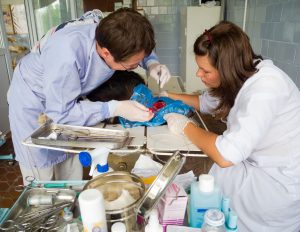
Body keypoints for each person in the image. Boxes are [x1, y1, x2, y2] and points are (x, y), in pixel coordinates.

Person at [7, 8, 171, 185]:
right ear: (107, 53)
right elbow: (61, 114)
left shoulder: (112, 30)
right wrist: (114, 108)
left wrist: (151, 63)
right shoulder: (66, 55)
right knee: (43, 178)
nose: (136, 66)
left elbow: (136, 42)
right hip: (34, 102)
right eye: (132, 66)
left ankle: (71, 203)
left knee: (70, 167)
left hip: (66, 97)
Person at [163, 21, 300, 231]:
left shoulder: (266, 88)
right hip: (256, 162)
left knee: (206, 175)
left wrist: (184, 127)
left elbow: (226, 155)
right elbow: (205, 103)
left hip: (275, 187)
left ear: (226, 68)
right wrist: (165, 97)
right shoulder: (245, 74)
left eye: (204, 70)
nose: (199, 75)